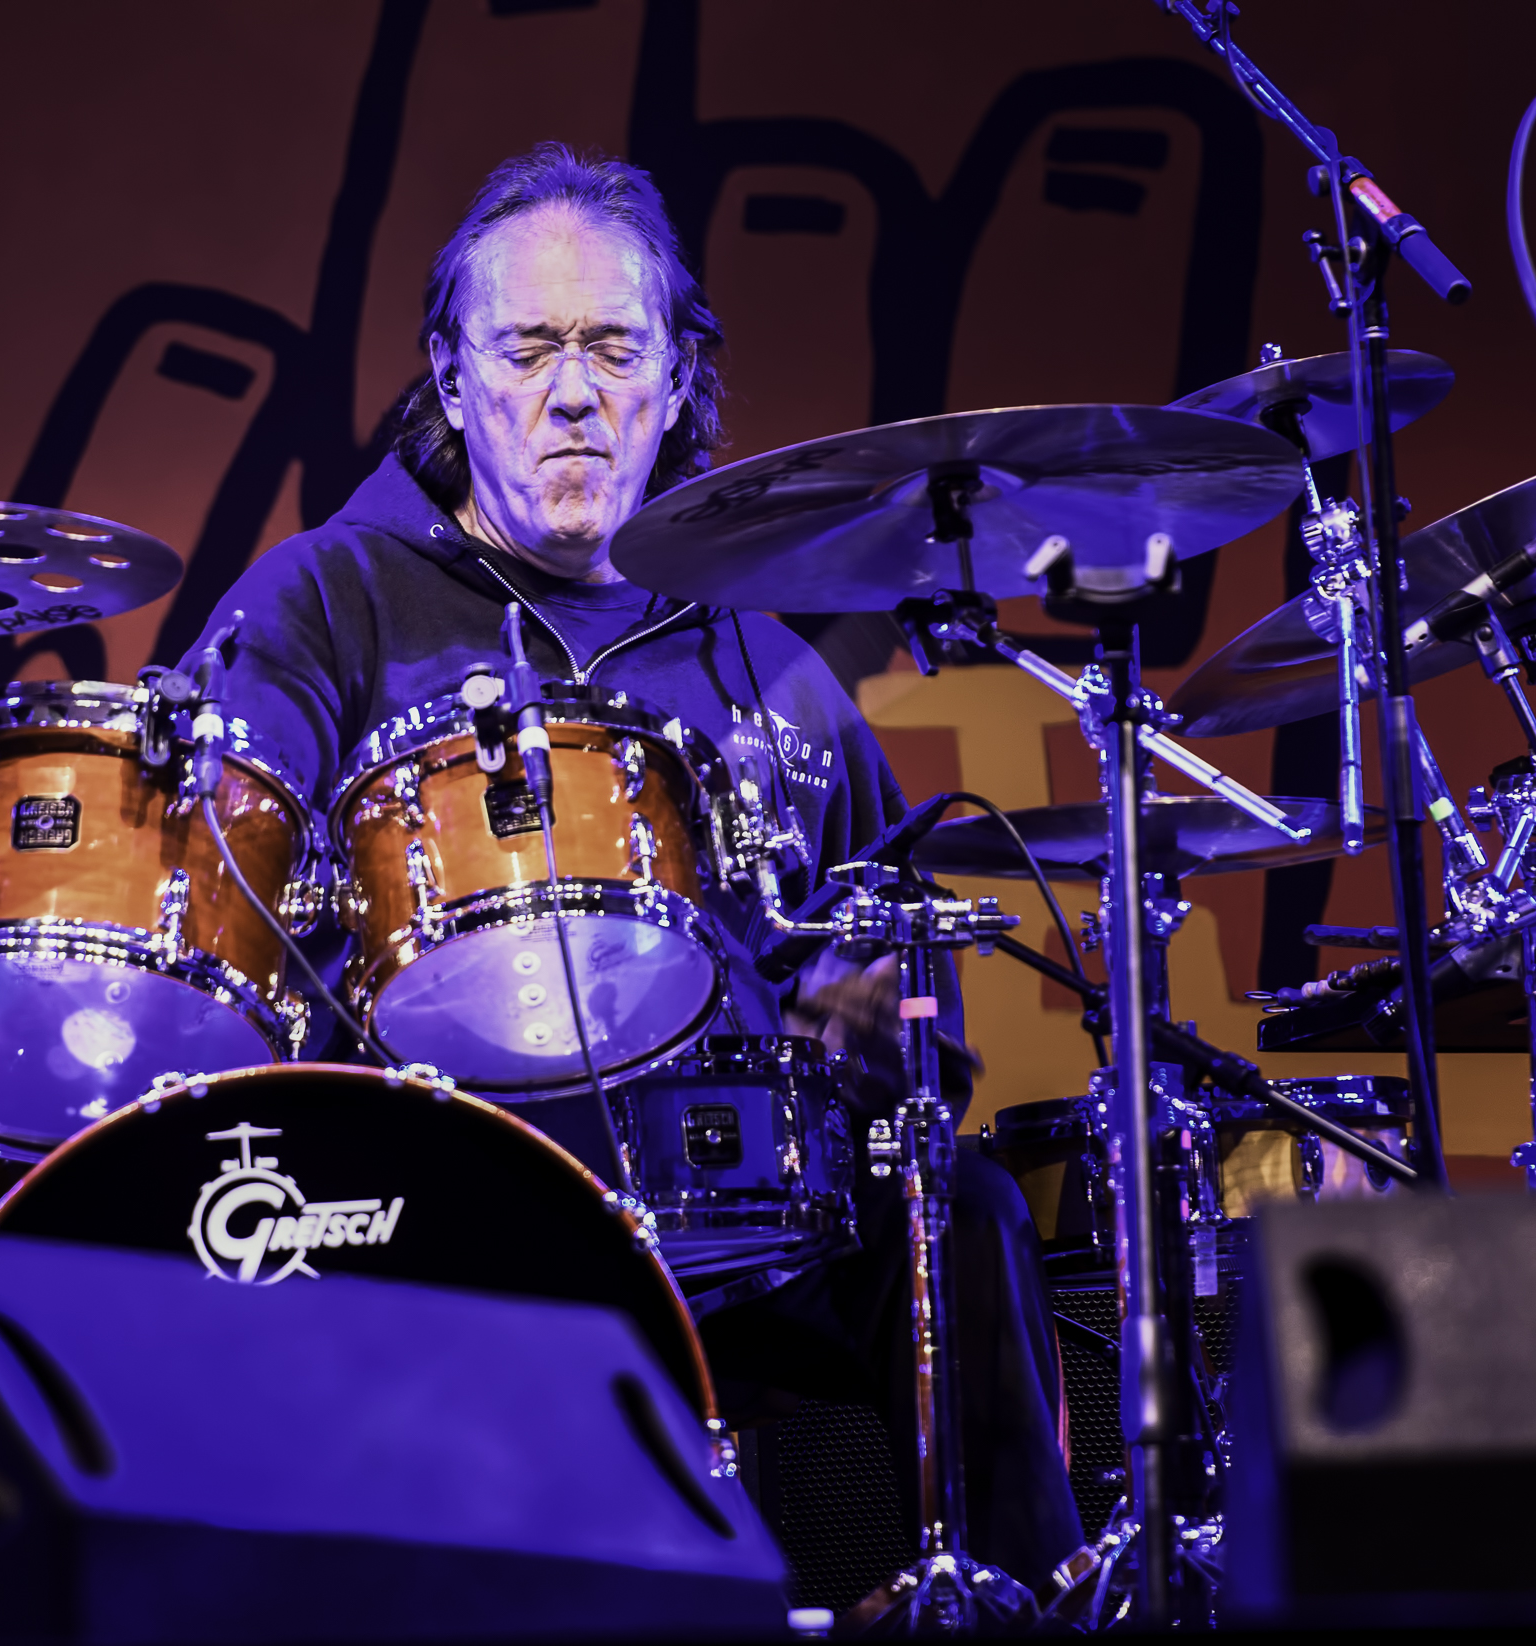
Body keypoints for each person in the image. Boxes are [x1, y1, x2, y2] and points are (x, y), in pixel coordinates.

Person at [181, 142, 1081, 1587]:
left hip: (727, 1216)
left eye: (614, 345)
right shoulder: (322, 601)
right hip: (428, 1197)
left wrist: (878, 1027)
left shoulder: (764, 661)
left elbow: (913, 1003)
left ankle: (1019, 1608)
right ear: (453, 374)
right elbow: (208, 863)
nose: (575, 391)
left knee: (955, 1205)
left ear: (677, 378)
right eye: (528, 347)